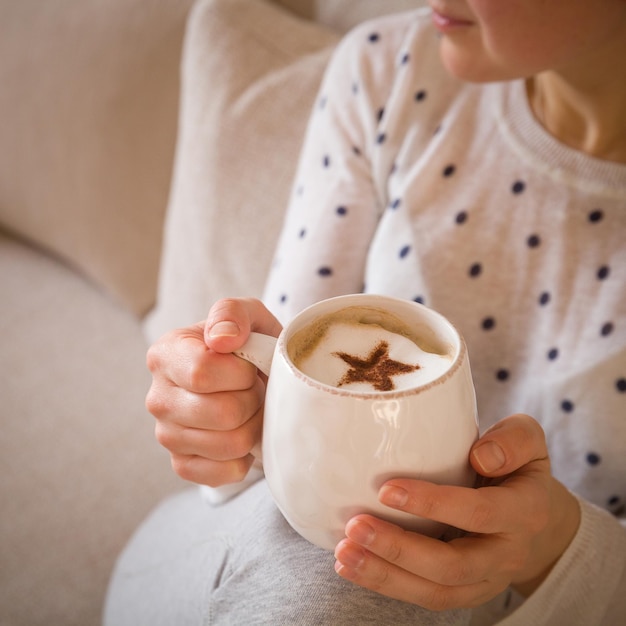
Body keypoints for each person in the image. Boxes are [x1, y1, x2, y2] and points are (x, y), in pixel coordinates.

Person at [105, 1, 626, 624]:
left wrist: (554, 546)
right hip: (254, 560)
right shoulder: (393, 72)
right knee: (351, 574)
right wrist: (224, 416)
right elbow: (278, 418)